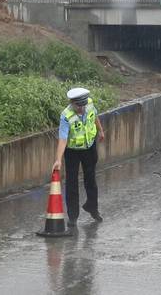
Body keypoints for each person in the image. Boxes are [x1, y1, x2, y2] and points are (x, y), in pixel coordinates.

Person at [52, 87, 105, 227]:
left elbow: (95, 116)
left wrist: (101, 131)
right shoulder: (66, 116)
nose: (81, 108)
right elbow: (62, 139)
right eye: (78, 106)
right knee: (72, 183)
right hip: (72, 152)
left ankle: (92, 208)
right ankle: (73, 216)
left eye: (83, 105)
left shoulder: (89, 104)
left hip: (89, 148)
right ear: (71, 103)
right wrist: (58, 159)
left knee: (91, 180)